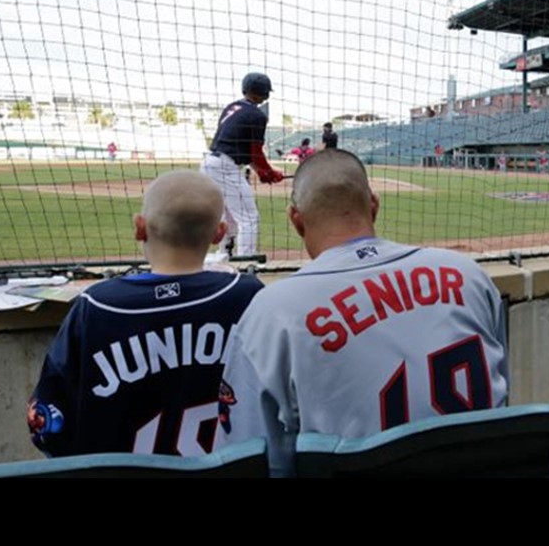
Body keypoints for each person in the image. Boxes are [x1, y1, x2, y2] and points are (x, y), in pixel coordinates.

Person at [216, 149, 509, 476]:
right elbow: (502, 398)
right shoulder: (468, 275)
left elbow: (245, 459)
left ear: (296, 219)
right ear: (374, 204)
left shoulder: (273, 312)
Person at [27, 170, 265, 457]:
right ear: (219, 233)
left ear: (140, 227)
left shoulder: (97, 307)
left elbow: (47, 426)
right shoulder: (249, 296)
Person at [199, 72, 285, 258]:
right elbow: (255, 151)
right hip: (224, 166)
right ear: (264, 92)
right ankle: (246, 260)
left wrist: (263, 172)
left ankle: (224, 255)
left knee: (227, 217)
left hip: (209, 164)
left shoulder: (233, 106)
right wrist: (268, 172)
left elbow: (246, 151)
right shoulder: (257, 115)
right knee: (248, 219)